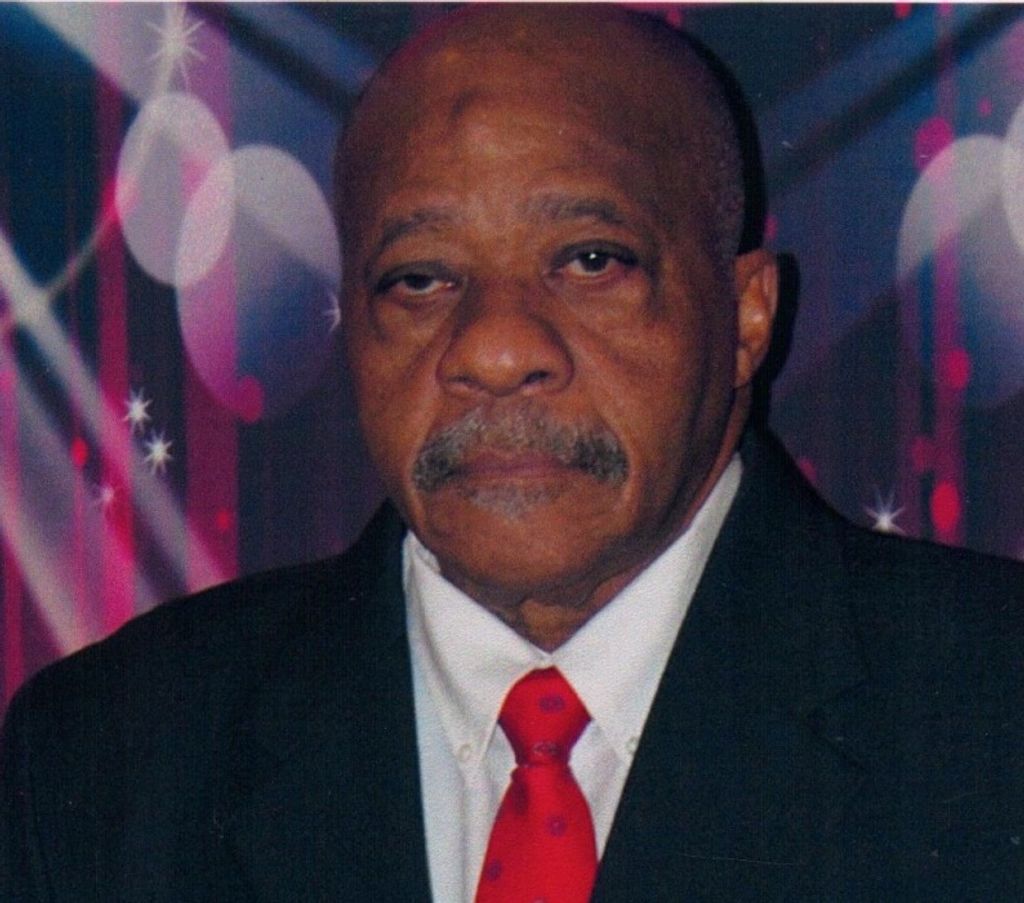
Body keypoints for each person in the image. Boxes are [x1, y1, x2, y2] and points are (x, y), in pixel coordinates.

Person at [3, 6, 1024, 901]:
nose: (493, 350)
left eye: (591, 261)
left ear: (747, 314)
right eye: (419, 279)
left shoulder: (991, 718)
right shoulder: (109, 763)